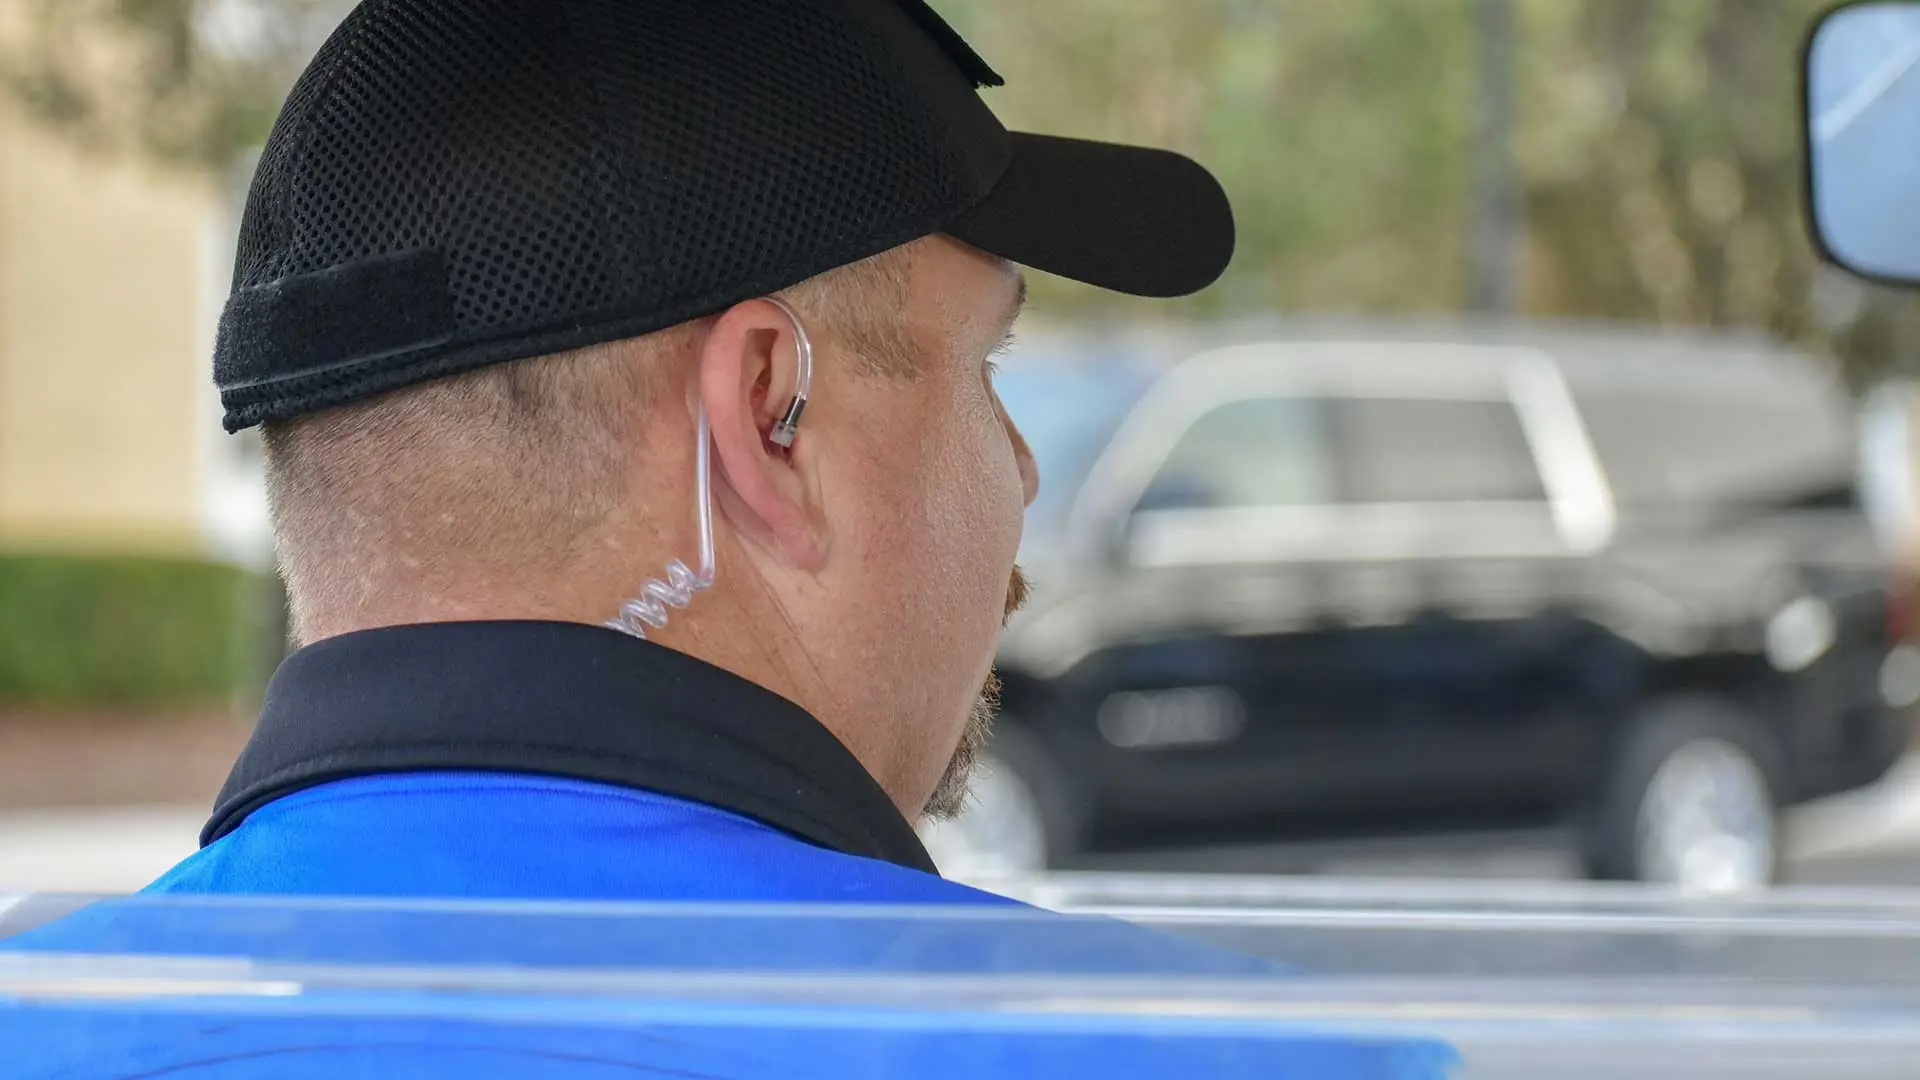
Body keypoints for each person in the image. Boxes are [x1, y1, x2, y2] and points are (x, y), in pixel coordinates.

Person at [45, 0, 1231, 904]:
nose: (1023, 468)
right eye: (983, 368)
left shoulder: (44, 1024)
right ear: (773, 418)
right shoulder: (1178, 1052)